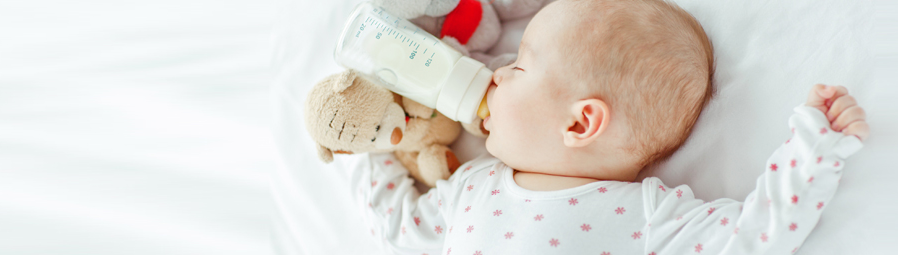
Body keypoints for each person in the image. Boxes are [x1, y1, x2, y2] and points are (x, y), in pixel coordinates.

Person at [346, 0, 869, 254]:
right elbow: (398, 228)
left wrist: (813, 149)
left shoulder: (647, 216)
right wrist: (367, 141)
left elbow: (757, 236)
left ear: (580, 121)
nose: (498, 71)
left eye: (520, 65)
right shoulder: (470, 186)